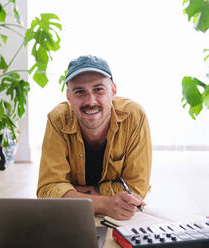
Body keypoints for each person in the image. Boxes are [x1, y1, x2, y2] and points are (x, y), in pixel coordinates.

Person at [37, 55, 152, 220]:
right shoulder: (57, 119)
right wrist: (104, 204)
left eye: (98, 89)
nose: (90, 101)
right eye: (79, 92)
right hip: (73, 219)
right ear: (69, 96)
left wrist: (73, 193)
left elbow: (136, 188)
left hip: (110, 217)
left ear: (113, 91)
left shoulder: (134, 116)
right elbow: (47, 190)